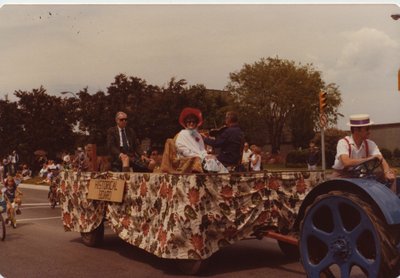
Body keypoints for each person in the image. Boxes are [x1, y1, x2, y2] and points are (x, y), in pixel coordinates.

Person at [332, 114, 396, 192]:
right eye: (367, 129)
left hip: (359, 175)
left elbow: (381, 159)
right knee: (336, 192)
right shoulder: (343, 143)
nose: (369, 132)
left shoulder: (369, 144)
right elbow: (346, 162)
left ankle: (390, 202)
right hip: (341, 176)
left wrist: (386, 172)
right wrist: (369, 158)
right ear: (356, 130)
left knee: (391, 174)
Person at [175, 107, 227, 173]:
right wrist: (197, 156)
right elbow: (181, 148)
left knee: (213, 160)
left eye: (193, 122)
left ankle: (220, 179)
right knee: (204, 162)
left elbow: (202, 149)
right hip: (188, 158)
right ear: (185, 123)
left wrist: (206, 155)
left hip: (199, 157)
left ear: (196, 123)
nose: (191, 123)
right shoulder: (182, 134)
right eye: (189, 121)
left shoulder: (198, 135)